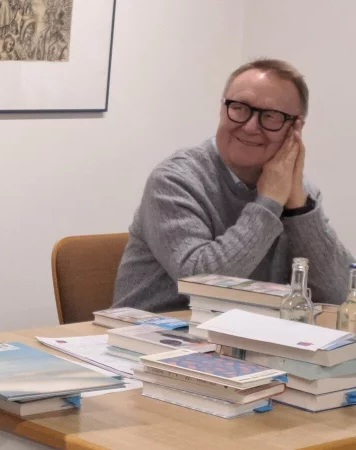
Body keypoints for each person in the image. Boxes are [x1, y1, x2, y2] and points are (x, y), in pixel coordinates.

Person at [113, 58, 355, 312]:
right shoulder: (174, 180)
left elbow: (341, 295)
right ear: (222, 108)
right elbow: (201, 283)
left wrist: (298, 208)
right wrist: (269, 203)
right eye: (239, 108)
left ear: (295, 128)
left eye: (270, 116)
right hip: (156, 340)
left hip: (249, 341)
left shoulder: (297, 192)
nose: (250, 126)